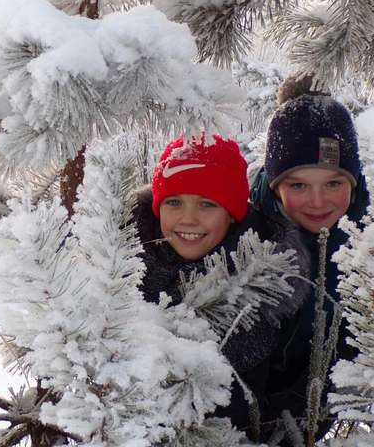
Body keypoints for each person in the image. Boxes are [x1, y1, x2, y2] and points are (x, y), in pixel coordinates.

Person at [131, 133, 311, 440]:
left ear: (231, 214)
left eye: (207, 204)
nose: (188, 219)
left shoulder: (265, 281)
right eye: (174, 202)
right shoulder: (126, 266)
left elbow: (288, 389)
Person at [249, 73, 369, 443]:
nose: (318, 202)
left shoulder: (371, 235)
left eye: (333, 183)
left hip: (328, 409)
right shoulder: (249, 232)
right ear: (274, 183)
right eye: (298, 185)